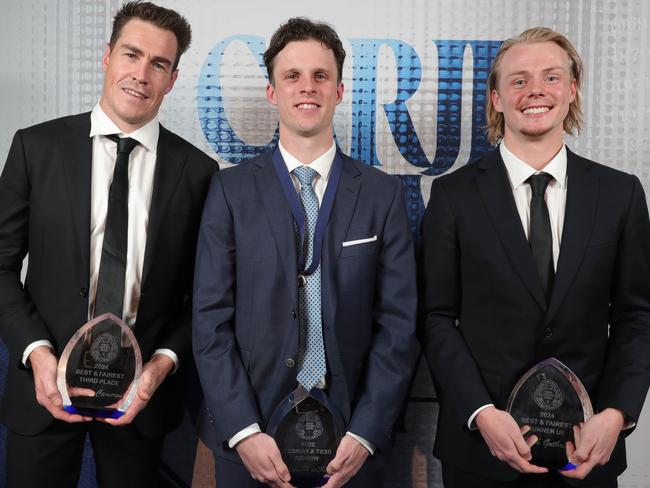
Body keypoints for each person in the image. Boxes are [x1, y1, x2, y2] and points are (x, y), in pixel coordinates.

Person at [419, 27, 650, 488]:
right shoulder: (452, 195)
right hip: (481, 455)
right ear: (497, 99)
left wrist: (616, 414)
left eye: (551, 77)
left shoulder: (620, 194)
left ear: (572, 90)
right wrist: (481, 413)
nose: (536, 92)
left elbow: (637, 318)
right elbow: (435, 318)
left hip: (587, 453)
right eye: (519, 80)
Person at [193, 17, 417, 488]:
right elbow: (210, 321)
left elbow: (398, 325)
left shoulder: (382, 195)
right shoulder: (230, 190)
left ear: (339, 90)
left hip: (353, 441)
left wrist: (367, 432)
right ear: (272, 92)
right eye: (292, 76)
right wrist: (243, 431)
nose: (307, 88)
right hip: (252, 442)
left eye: (321, 76)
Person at [0, 2, 217, 486]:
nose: (141, 74)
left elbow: (202, 297)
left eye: (158, 64)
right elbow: (0, 266)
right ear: (106, 56)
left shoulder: (199, 173)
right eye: (131, 54)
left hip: (142, 403)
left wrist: (161, 367)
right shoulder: (36, 148)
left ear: (173, 77)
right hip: (42, 393)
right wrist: (36, 353)